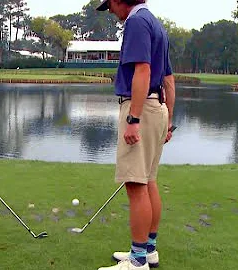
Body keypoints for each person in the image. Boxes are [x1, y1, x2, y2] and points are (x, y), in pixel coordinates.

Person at [96, 0, 176, 270]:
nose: (112, 12)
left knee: (135, 184)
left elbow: (143, 70)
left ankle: (138, 261)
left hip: (141, 108)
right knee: (149, 180)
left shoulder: (136, 22)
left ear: (120, 1)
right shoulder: (155, 23)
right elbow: (168, 79)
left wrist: (134, 119)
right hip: (158, 107)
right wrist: (169, 118)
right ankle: (148, 250)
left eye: (111, 6)